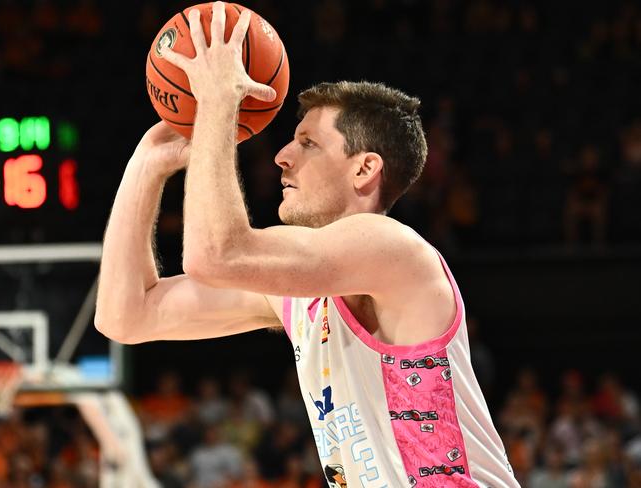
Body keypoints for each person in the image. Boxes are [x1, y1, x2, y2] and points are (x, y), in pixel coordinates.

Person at [95, 3, 519, 486]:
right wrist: (145, 167)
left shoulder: (392, 248)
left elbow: (216, 254)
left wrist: (219, 103)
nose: (281, 156)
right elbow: (126, 317)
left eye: (308, 143)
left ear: (365, 168)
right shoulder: (299, 289)